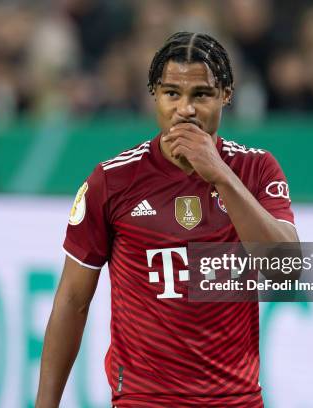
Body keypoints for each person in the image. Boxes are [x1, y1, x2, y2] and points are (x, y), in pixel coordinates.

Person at [36, 32, 298, 407]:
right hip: (143, 399)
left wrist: (221, 175)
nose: (185, 109)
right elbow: (73, 300)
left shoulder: (255, 169)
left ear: (226, 94)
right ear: (154, 96)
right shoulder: (112, 181)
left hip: (235, 399)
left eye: (201, 95)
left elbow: (285, 271)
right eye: (172, 93)